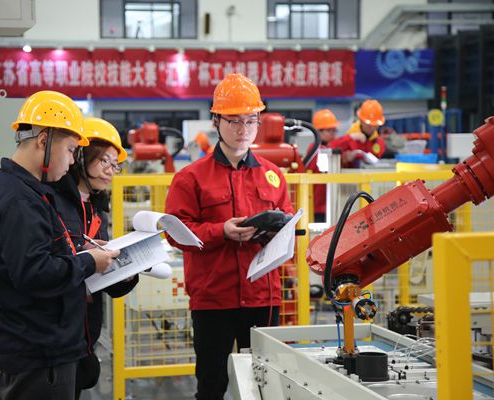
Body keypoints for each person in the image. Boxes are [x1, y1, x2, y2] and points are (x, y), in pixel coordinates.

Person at [0, 90, 119, 400]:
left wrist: (81, 252)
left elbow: (40, 257)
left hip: (41, 351)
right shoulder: (19, 199)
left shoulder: (27, 191)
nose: (72, 161)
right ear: (43, 141)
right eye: (70, 150)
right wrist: (89, 262)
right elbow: (34, 272)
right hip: (38, 355)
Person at [164, 73, 295, 400]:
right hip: (213, 298)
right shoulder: (190, 178)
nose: (244, 129)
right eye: (234, 121)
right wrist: (220, 231)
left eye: (251, 121)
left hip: (263, 297)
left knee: (265, 384)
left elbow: (289, 226)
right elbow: (176, 234)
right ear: (216, 121)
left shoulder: (273, 175)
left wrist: (277, 232)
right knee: (211, 385)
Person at [48, 117, 138, 399]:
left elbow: (103, 279)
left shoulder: (98, 210)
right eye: (104, 161)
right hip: (54, 336)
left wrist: (127, 272)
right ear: (79, 157)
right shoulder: (51, 202)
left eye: (115, 164)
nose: (110, 171)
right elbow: (47, 267)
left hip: (85, 334)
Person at [329, 99, 387, 168]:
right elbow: (329, 149)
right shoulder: (348, 139)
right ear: (361, 120)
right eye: (369, 125)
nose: (372, 128)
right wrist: (344, 159)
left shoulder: (379, 143)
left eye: (375, 125)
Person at [306, 109, 340, 222]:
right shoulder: (316, 150)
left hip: (328, 204)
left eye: (334, 130)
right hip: (318, 207)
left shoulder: (326, 148)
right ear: (318, 132)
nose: (333, 134)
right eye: (329, 130)